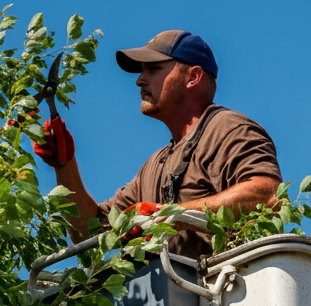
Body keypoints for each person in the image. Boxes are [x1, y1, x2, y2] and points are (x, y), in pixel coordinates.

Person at [30, 30, 282, 258]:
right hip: (168, 302)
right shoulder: (154, 166)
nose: (139, 80)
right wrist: (64, 164)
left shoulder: (227, 129)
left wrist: (169, 215)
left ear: (192, 77)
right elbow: (89, 232)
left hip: (222, 298)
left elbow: (269, 194)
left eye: (153, 69)